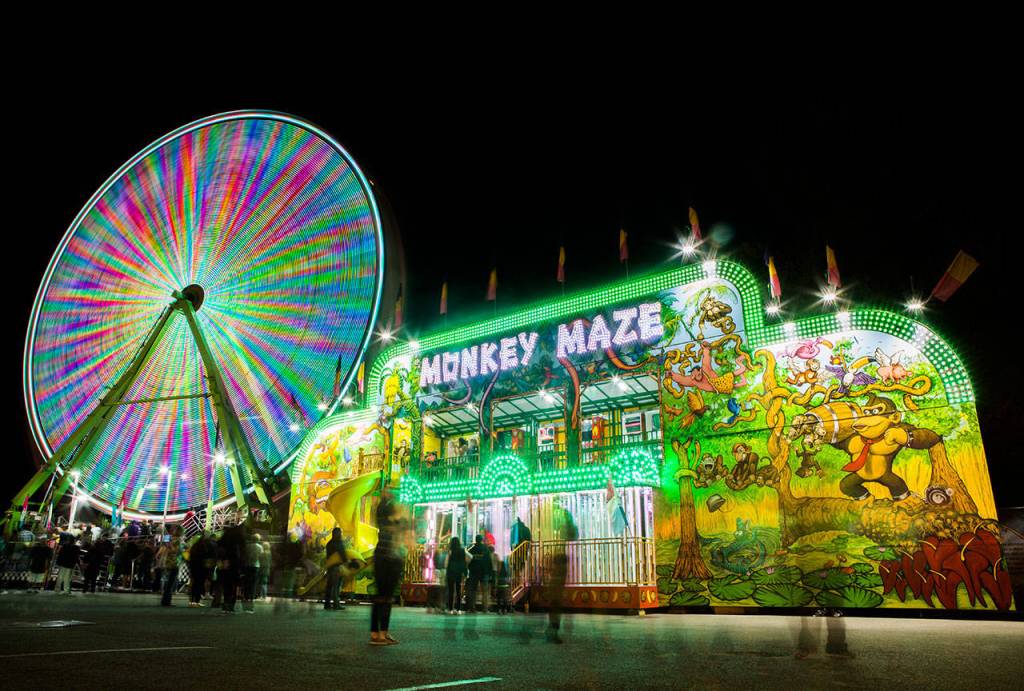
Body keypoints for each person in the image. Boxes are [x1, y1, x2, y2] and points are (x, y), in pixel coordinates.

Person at [370, 487, 407, 646]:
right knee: (385, 596)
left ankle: (378, 633)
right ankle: (379, 634)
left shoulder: (385, 520)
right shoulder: (390, 521)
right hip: (388, 557)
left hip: (385, 556)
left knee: (383, 596)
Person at [546, 508, 577, 643]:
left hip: (556, 579)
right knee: (555, 604)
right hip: (556, 581)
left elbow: (573, 535)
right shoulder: (561, 531)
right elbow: (573, 535)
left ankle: (552, 629)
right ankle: (553, 630)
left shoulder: (561, 531)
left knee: (555, 604)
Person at [465, 534, 493, 613]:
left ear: (476, 540)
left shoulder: (472, 549)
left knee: (473, 591)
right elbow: (489, 561)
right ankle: (485, 608)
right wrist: (490, 572)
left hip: (474, 573)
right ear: (481, 540)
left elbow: (468, 561)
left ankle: (472, 608)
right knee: (485, 591)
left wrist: (469, 569)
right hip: (484, 573)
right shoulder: (486, 549)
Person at [323, 527, 346, 611]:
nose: (341, 534)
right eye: (340, 533)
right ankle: (336, 604)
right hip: (337, 567)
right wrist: (346, 561)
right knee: (336, 586)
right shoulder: (338, 543)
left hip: (330, 566)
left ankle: (327, 604)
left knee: (330, 586)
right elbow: (342, 554)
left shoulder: (329, 543)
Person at [156, 532, 179, 606]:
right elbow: (175, 550)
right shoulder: (177, 540)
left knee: (168, 581)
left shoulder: (169, 540)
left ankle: (165, 600)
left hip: (168, 563)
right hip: (173, 563)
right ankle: (166, 601)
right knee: (170, 582)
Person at [445, 537, 467, 614]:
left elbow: (447, 562)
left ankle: (450, 609)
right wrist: (465, 572)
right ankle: (458, 609)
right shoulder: (462, 550)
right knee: (458, 591)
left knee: (451, 591)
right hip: (458, 573)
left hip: (450, 572)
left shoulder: (450, 551)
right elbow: (464, 562)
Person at [242, 532, 262, 613]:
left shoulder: (248, 546)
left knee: (247, 581)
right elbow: (261, 556)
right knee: (253, 582)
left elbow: (245, 555)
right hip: (256, 566)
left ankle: (246, 596)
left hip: (248, 565)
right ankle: (251, 597)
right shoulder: (260, 547)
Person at [187, 534, 208, 607]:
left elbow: (189, 557)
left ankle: (191, 601)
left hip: (193, 567)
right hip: (201, 568)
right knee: (199, 584)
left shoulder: (194, 547)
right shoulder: (204, 547)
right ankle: (197, 601)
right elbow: (205, 556)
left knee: (194, 583)